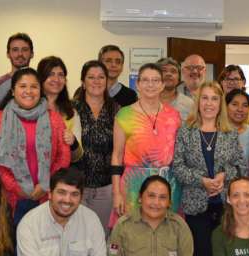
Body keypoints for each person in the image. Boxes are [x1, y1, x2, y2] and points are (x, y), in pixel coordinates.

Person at [173, 81, 246, 256]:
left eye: (214, 99)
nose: (209, 104)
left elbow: (240, 166)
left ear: (220, 104)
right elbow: (178, 167)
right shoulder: (186, 132)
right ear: (198, 102)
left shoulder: (229, 133)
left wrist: (225, 177)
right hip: (197, 207)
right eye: (204, 98)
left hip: (225, 207)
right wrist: (201, 181)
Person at [0, 67, 71, 223]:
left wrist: (45, 185)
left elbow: (63, 156)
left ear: (40, 90)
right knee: (11, 243)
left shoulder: (54, 119)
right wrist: (17, 188)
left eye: (34, 86)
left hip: (45, 194)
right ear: (13, 91)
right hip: (10, 197)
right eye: (23, 86)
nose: (28, 91)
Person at [110, 63, 182, 225]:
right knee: (132, 235)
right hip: (133, 186)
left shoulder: (174, 116)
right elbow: (117, 155)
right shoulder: (124, 115)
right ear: (138, 84)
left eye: (156, 80)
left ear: (162, 85)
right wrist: (116, 193)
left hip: (168, 184)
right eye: (146, 80)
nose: (151, 84)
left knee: (166, 236)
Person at [72, 60, 120, 235]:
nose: (96, 81)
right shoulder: (71, 109)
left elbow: (120, 151)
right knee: (77, 237)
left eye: (101, 77)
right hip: (77, 187)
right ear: (83, 82)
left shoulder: (117, 110)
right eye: (91, 77)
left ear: (107, 81)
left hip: (106, 188)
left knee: (101, 237)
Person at [37, 56, 83, 162]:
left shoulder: (71, 113)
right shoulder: (30, 108)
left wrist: (73, 142)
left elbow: (77, 156)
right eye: (51, 74)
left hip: (60, 174)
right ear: (40, 78)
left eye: (61, 75)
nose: (56, 79)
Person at [0, 33, 34, 106]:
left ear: (32, 53)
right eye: (15, 50)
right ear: (8, 54)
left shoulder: (40, 82)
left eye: (25, 50)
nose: (20, 54)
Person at [156, 57, 193, 122]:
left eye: (173, 71)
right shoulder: (144, 104)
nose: (169, 74)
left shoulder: (189, 104)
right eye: (164, 70)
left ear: (179, 78)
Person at [225, 89, 249, 165]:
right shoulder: (217, 131)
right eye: (234, 104)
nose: (240, 109)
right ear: (226, 106)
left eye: (245, 105)